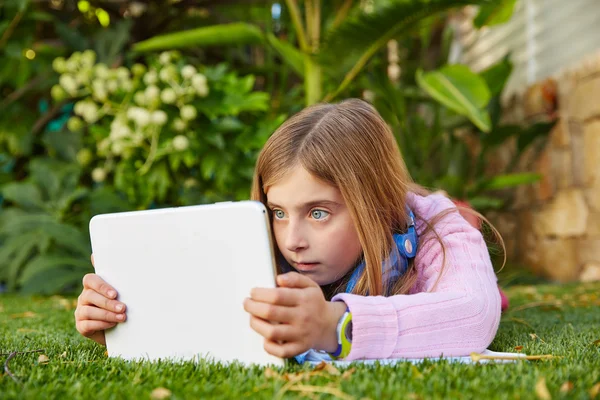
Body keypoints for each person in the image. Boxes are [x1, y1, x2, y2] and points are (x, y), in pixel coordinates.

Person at [75, 99, 503, 362]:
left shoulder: (436, 228)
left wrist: (335, 326)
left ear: (377, 204)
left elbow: (475, 314)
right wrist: (127, 319)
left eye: (318, 213)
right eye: (278, 212)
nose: (292, 239)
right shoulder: (252, 238)